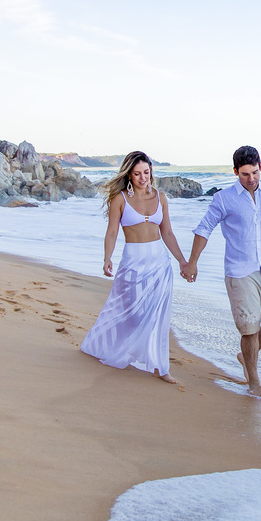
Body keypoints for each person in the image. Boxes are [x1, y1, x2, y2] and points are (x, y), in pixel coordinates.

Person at [182, 145, 261, 398]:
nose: (251, 179)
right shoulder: (224, 199)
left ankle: (245, 355)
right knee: (248, 329)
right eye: (245, 174)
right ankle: (254, 382)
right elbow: (204, 229)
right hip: (239, 271)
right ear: (235, 171)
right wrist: (192, 262)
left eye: (255, 173)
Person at [81, 151, 188, 384]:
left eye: (146, 173)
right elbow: (112, 232)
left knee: (159, 315)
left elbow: (167, 232)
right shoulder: (119, 199)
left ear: (151, 171)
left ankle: (161, 366)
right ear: (129, 174)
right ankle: (113, 347)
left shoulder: (160, 197)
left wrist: (182, 260)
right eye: (137, 174)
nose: (143, 178)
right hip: (132, 262)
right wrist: (107, 258)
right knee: (127, 312)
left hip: (159, 262)